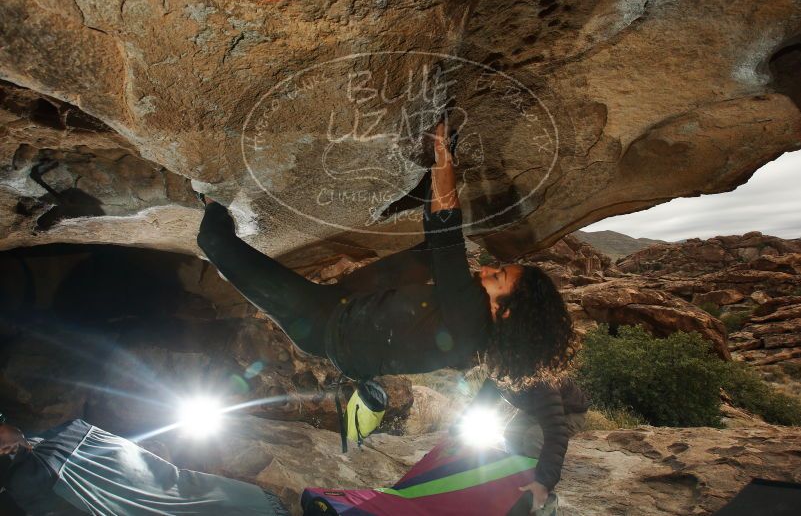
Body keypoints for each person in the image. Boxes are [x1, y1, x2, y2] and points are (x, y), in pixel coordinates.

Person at [196, 120, 576, 511]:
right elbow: (440, 240)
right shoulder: (483, 332)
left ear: (504, 310)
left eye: (498, 277)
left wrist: (443, 154)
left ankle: (210, 200)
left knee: (212, 241)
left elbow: (446, 228)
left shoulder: (468, 317)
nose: (488, 270)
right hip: (355, 303)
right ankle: (416, 175)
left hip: (324, 326)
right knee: (432, 253)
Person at [0, 417, 289, 515]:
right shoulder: (20, 484)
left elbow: (11, 435)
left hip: (76, 451)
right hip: (58, 468)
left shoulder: (27, 472)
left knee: (174, 492)